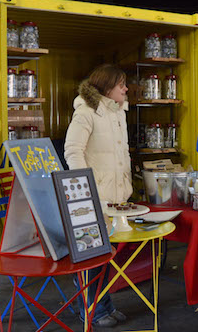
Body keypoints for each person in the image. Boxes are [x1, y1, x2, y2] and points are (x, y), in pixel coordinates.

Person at [64, 64, 131, 328]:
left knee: (105, 256)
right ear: (106, 87)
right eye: (121, 85)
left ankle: (103, 305)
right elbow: (73, 151)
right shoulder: (86, 112)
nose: (126, 89)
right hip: (93, 199)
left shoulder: (118, 113)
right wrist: (85, 189)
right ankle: (93, 310)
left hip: (115, 199)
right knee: (92, 258)